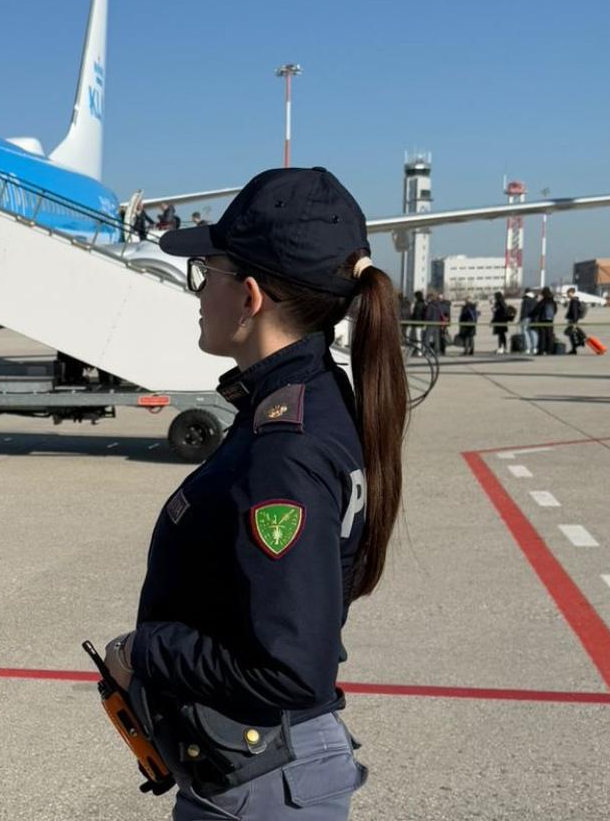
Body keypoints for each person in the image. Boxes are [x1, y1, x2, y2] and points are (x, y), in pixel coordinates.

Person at [102, 166, 404, 820]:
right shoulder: (304, 400)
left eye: (205, 273)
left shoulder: (284, 446)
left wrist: (142, 651)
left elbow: (290, 668)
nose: (197, 292)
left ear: (249, 296)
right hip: (262, 769)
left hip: (261, 782)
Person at [564, 289, 588, 355]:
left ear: (573, 293)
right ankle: (576, 346)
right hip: (573, 320)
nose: (567, 294)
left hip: (572, 320)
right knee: (572, 333)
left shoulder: (574, 301)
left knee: (569, 332)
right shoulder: (575, 300)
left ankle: (580, 342)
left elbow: (575, 312)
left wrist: (574, 321)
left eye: (568, 293)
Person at [536, 288, 559, 355]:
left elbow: (537, 310)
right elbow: (555, 310)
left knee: (542, 336)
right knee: (550, 336)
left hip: (542, 320)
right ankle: (549, 350)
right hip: (550, 320)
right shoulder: (553, 301)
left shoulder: (542, 301)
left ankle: (541, 350)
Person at [519, 288, 537, 356]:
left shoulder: (525, 300)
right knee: (533, 332)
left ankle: (527, 348)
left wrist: (521, 319)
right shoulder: (535, 300)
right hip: (533, 318)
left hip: (526, 317)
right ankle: (534, 348)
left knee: (525, 332)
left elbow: (524, 310)